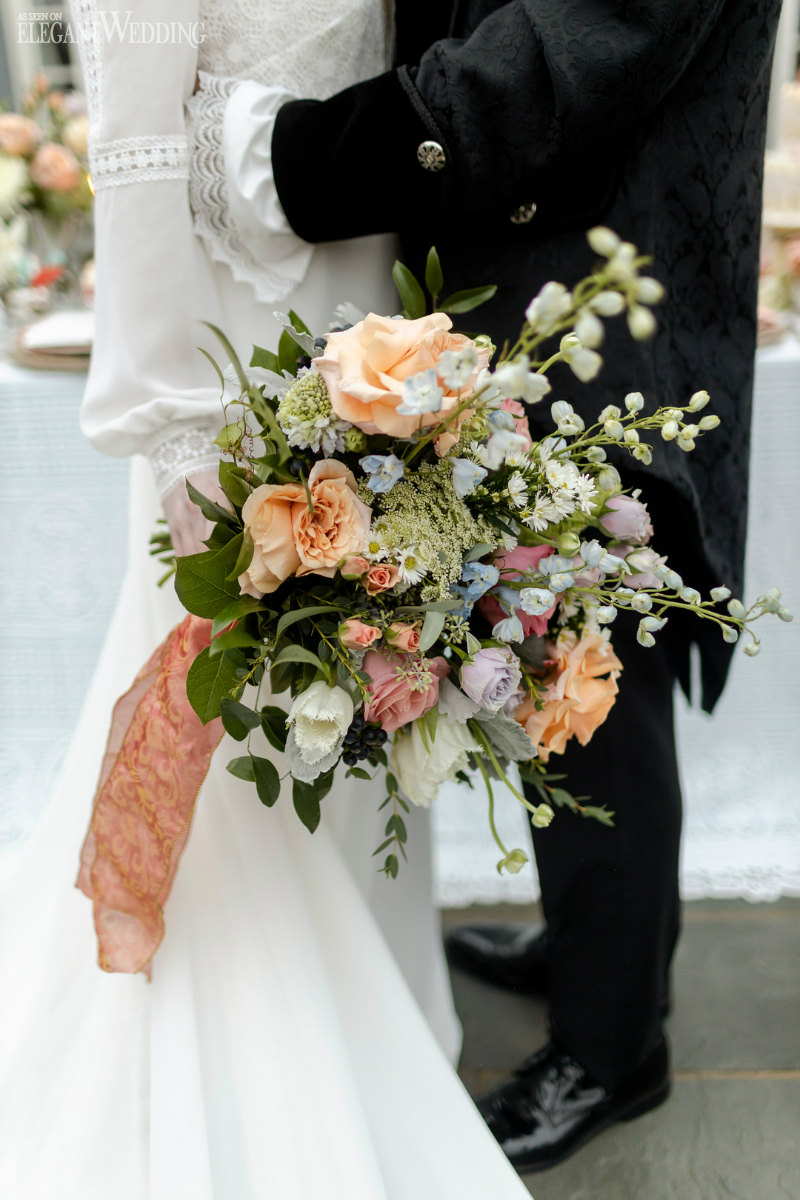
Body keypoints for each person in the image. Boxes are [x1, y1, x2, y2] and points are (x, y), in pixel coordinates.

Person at [196, 0, 783, 1174]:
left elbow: (566, 45)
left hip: (606, 291)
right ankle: (600, 944)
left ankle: (613, 1047)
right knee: (538, 656)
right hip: (544, 265)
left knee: (594, 683)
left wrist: (292, 158)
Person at [0, 3, 533, 1197]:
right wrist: (179, 437)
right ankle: (259, 1084)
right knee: (238, 718)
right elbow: (136, 150)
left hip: (367, 327)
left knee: (368, 690)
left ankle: (378, 1020)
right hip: (228, 358)